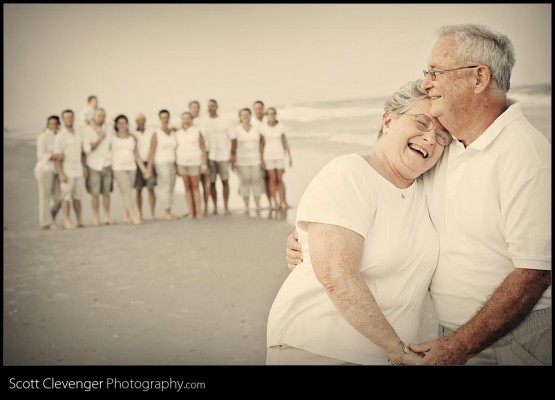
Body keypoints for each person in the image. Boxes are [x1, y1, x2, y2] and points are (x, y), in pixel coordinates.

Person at [286, 24, 551, 366]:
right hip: (457, 336)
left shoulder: (526, 156)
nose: (427, 82)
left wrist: (461, 345)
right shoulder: (449, 146)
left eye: (435, 72)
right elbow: (386, 194)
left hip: (513, 339)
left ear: (478, 77)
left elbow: (537, 271)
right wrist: (311, 238)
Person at [267, 80, 452, 365]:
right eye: (422, 122)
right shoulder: (349, 173)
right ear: (389, 121)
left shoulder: (425, 193)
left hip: (384, 356)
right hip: (318, 349)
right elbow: (336, 276)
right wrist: (396, 349)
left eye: (442, 136)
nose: (430, 138)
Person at [111, 115, 148, 225]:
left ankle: (126, 216)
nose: (122, 125)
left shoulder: (132, 138)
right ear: (116, 125)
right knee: (127, 192)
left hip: (131, 167)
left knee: (127, 193)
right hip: (118, 168)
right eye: (119, 123)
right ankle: (134, 215)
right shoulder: (112, 138)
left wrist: (144, 169)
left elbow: (136, 155)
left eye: (124, 123)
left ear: (127, 124)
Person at [53, 109, 86, 229]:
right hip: (66, 169)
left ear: (73, 118)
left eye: (71, 117)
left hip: (78, 168)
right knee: (65, 196)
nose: (69, 119)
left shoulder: (78, 133)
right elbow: (57, 157)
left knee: (77, 196)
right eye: (66, 118)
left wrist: (84, 167)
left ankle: (79, 220)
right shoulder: (60, 136)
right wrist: (61, 173)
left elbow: (82, 152)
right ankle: (67, 220)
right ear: (63, 120)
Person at [82, 108, 113, 225]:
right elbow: (87, 149)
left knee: (107, 193)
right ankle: (96, 217)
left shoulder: (108, 128)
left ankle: (107, 216)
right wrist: (99, 139)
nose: (101, 118)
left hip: (107, 164)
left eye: (103, 116)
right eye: (99, 116)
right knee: (95, 194)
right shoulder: (87, 130)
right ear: (94, 117)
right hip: (93, 165)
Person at [175, 112, 208, 219]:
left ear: (191, 119)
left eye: (188, 118)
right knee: (187, 187)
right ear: (181, 120)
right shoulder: (178, 133)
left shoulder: (197, 132)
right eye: (184, 118)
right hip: (182, 162)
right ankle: (190, 211)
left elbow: (203, 148)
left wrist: (203, 164)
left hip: (195, 162)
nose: (186, 120)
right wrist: (176, 164)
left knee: (195, 187)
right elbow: (175, 148)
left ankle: (198, 211)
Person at [203, 99, 233, 215]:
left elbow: (233, 138)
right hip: (210, 156)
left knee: (225, 180)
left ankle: (226, 206)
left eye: (213, 106)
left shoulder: (225, 121)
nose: (211, 108)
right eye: (209, 106)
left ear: (217, 107)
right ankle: (215, 206)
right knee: (212, 182)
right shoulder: (204, 121)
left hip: (224, 155)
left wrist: (232, 154)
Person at [230, 108, 263, 212]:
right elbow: (233, 148)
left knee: (256, 182)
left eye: (247, 115)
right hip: (242, 161)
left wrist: (262, 159)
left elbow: (262, 145)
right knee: (244, 183)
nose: (245, 117)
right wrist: (233, 162)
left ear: (250, 116)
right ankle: (247, 207)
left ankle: (258, 206)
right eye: (243, 115)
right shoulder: (236, 130)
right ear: (240, 117)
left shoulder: (257, 128)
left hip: (256, 160)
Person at [147, 109, 177, 221]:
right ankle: (166, 211)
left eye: (166, 117)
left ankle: (169, 209)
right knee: (165, 187)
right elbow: (152, 151)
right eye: (163, 117)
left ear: (169, 118)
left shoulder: (173, 132)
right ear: (160, 119)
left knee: (171, 186)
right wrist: (149, 168)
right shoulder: (156, 133)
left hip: (172, 162)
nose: (165, 119)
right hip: (161, 163)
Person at [260, 108, 292, 210]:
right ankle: (275, 203)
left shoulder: (280, 127)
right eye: (269, 114)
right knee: (272, 180)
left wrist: (290, 156)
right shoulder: (263, 128)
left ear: (275, 115)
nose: (271, 116)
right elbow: (261, 144)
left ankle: (283, 202)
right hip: (268, 156)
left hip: (279, 155)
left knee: (280, 179)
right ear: (267, 116)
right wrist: (261, 159)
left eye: (273, 114)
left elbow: (285, 142)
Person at [34, 115, 62, 230]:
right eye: (51, 123)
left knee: (59, 198)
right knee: (45, 196)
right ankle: (46, 222)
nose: (53, 125)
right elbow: (40, 155)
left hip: (56, 170)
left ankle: (50, 218)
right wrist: (53, 156)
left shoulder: (59, 136)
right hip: (44, 169)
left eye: (55, 123)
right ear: (47, 124)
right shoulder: (43, 137)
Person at [132, 113, 156, 220]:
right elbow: (135, 152)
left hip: (149, 162)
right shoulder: (132, 134)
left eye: (142, 120)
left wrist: (149, 168)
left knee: (151, 188)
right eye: (138, 120)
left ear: (145, 121)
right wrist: (142, 168)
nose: (141, 122)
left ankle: (152, 213)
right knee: (138, 189)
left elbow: (152, 150)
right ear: (135, 122)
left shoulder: (151, 133)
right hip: (137, 164)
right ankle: (140, 213)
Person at [189, 100, 210, 216]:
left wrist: (206, 158)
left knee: (204, 182)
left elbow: (208, 139)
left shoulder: (203, 122)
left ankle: (206, 207)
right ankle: (194, 208)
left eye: (197, 107)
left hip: (203, 154)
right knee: (192, 184)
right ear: (189, 109)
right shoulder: (186, 121)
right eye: (193, 108)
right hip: (191, 157)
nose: (195, 110)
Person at [252, 100, 272, 205]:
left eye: (260, 108)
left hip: (271, 153)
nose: (258, 110)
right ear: (253, 110)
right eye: (256, 108)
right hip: (258, 155)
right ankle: (268, 202)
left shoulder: (268, 119)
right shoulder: (251, 122)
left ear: (263, 109)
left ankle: (279, 201)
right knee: (263, 179)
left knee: (276, 179)